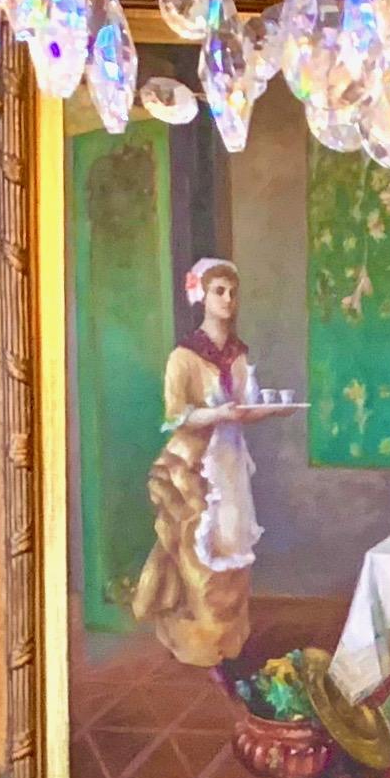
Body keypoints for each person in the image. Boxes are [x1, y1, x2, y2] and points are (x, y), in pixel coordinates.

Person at [131, 256, 278, 669]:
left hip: (230, 460)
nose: (228, 299)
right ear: (202, 296)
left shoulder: (239, 354)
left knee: (234, 540)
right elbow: (175, 415)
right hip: (193, 463)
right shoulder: (183, 356)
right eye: (219, 291)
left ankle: (229, 638)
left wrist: (267, 410)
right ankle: (200, 640)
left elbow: (247, 405)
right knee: (202, 547)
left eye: (233, 292)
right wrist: (217, 415)